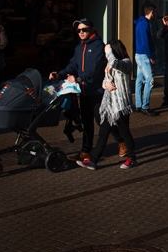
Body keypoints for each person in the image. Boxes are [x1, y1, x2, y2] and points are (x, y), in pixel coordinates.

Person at [51, 18, 122, 160]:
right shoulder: (79, 48)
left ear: (92, 30)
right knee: (87, 122)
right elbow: (73, 65)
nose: (81, 32)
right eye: (78, 30)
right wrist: (60, 73)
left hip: (97, 92)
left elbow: (94, 69)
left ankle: (121, 141)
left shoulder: (98, 46)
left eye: (84, 29)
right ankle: (85, 151)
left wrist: (78, 78)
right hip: (83, 91)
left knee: (102, 121)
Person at [76, 39, 138, 170]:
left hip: (121, 104)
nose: (105, 54)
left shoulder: (126, 63)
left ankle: (132, 158)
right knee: (103, 132)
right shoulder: (109, 66)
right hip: (109, 105)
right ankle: (93, 160)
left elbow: (114, 62)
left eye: (107, 52)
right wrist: (107, 85)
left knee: (124, 132)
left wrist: (108, 49)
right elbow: (104, 81)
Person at [134, 2, 158, 116]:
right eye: (155, 12)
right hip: (143, 56)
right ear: (151, 12)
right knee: (150, 80)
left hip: (139, 54)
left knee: (139, 80)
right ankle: (145, 106)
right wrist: (150, 57)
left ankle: (138, 105)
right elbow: (145, 42)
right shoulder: (144, 25)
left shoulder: (141, 23)